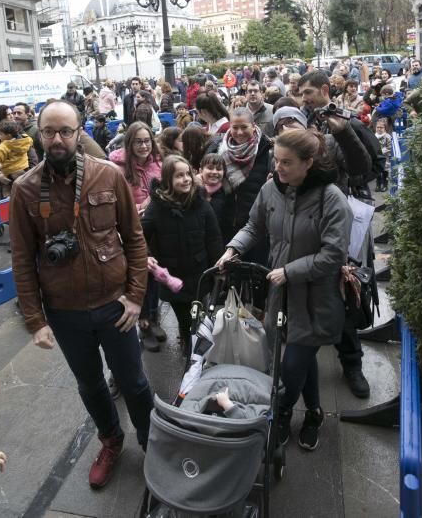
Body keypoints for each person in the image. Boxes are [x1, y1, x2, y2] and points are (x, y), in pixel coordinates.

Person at [9, 100, 153, 489]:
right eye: (49, 132)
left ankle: (151, 441)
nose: (56, 139)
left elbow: (136, 241)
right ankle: (111, 439)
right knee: (89, 384)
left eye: (65, 131)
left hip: (115, 306)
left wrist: (136, 297)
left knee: (135, 382)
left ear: (79, 133)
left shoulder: (108, 175)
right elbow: (22, 260)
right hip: (66, 311)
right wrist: (35, 321)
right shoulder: (23, 190)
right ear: (38, 134)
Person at [218, 129, 352, 451]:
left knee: (291, 366)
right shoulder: (270, 190)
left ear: (308, 163)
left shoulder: (332, 198)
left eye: (287, 162)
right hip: (281, 294)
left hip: (314, 299)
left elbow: (333, 255)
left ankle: (282, 412)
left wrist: (290, 272)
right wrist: (232, 249)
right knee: (301, 357)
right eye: (276, 160)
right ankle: (315, 413)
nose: (278, 168)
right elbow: (254, 226)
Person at [298, 70, 382, 397]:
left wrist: (345, 133)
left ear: (323, 90)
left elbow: (364, 168)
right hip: (306, 225)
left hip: (338, 223)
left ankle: (352, 363)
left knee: (344, 292)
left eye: (308, 92)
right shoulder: (304, 122)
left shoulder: (344, 123)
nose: (304, 99)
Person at [141, 155, 223, 354]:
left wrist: (219, 267)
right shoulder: (157, 207)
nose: (186, 179)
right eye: (179, 175)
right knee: (185, 318)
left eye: (188, 174)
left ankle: (197, 344)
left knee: (199, 313)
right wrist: (147, 255)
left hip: (199, 271)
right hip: (173, 277)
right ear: (168, 180)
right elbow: (139, 236)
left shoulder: (201, 203)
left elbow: (213, 238)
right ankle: (190, 350)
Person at [109, 122, 165, 353]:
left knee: (154, 278)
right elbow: (112, 202)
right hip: (132, 232)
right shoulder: (116, 168)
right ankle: (143, 324)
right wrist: (139, 206)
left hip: (156, 230)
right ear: (129, 143)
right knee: (139, 277)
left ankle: (152, 318)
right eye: (138, 141)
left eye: (147, 141)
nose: (144, 146)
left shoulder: (158, 163)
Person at [208, 107, 272, 252]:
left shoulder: (266, 149)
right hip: (223, 221)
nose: (239, 132)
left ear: (253, 126)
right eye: (235, 127)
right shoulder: (217, 147)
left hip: (256, 225)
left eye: (244, 127)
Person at [199, 152, 226, 222]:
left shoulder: (226, 193)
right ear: (201, 171)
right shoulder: (192, 190)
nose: (214, 172)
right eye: (210, 168)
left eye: (219, 169)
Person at [374, 119, 391, 192]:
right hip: (376, 156)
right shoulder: (374, 136)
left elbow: (389, 147)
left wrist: (382, 151)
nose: (379, 129)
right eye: (378, 127)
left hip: (385, 157)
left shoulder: (387, 137)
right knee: (377, 171)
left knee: (385, 171)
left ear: (385, 128)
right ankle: (378, 184)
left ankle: (385, 185)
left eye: (381, 127)